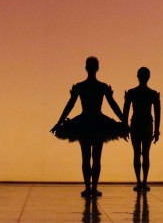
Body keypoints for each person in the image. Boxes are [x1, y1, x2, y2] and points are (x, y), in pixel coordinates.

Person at [51, 56, 127, 197]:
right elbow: (113, 105)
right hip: (98, 122)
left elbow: (70, 105)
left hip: (85, 122)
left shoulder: (80, 86)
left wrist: (59, 122)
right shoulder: (102, 87)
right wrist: (124, 122)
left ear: (86, 68)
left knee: (86, 157)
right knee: (96, 157)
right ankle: (94, 187)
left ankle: (88, 188)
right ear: (97, 68)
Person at [123, 66, 161, 192]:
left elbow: (125, 112)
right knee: (145, 154)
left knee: (136, 153)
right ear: (148, 77)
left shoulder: (132, 93)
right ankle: (143, 182)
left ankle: (139, 182)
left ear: (138, 77)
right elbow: (157, 114)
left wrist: (125, 127)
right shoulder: (153, 94)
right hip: (147, 125)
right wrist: (156, 130)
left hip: (136, 124)